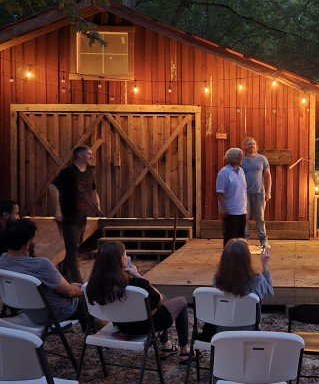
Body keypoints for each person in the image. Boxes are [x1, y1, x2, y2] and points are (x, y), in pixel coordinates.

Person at [86, 240, 190, 364]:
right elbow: (158, 299)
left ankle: (165, 345)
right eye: (125, 255)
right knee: (182, 302)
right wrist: (137, 275)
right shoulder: (134, 284)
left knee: (162, 298)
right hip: (144, 326)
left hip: (122, 325)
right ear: (121, 259)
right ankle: (185, 351)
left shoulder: (93, 285)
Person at [0, 218, 88, 326]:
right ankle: (102, 331)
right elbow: (70, 292)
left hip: (32, 314)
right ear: (27, 244)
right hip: (57, 314)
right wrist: (84, 289)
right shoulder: (41, 265)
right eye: (35, 238)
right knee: (95, 294)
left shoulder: (2, 261)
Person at [197, 238, 273, 342]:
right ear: (247, 259)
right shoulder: (258, 281)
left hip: (222, 335)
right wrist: (265, 267)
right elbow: (269, 292)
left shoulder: (217, 281)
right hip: (250, 335)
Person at [49, 146, 102, 283]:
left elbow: (93, 189)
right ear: (79, 155)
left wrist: (97, 205)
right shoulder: (69, 172)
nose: (91, 156)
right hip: (68, 215)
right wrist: (57, 209)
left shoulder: (89, 172)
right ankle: (77, 279)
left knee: (74, 246)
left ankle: (64, 273)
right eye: (89, 154)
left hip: (81, 216)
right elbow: (53, 187)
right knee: (72, 247)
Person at [241, 138, 271, 247]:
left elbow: (268, 176)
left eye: (254, 143)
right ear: (245, 146)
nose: (252, 145)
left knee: (260, 217)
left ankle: (264, 241)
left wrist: (268, 192)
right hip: (244, 194)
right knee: (244, 217)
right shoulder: (241, 160)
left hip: (259, 193)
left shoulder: (262, 159)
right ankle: (244, 239)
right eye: (249, 144)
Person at [216, 148, 248, 246]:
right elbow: (220, 192)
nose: (242, 158)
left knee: (240, 239)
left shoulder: (241, 171)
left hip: (242, 210)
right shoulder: (224, 172)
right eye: (240, 156)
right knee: (230, 239)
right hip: (231, 211)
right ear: (234, 158)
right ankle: (228, 259)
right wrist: (223, 208)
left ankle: (239, 259)